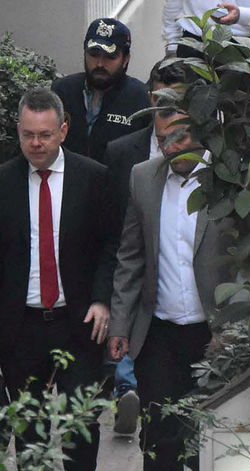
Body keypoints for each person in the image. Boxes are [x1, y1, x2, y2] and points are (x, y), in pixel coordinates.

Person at [0, 87, 119, 471]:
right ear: (17, 132)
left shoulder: (93, 177)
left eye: (44, 135)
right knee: (30, 425)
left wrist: (102, 299)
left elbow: (109, 247)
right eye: (26, 136)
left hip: (78, 323)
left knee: (82, 420)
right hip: (22, 327)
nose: (36, 145)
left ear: (63, 130)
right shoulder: (0, 181)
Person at [107, 109, 233, 471]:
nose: (171, 148)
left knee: (212, 436)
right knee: (159, 437)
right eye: (163, 139)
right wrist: (120, 323)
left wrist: (232, 331)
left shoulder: (232, 179)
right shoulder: (143, 177)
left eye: (179, 138)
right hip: (158, 332)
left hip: (214, 336)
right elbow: (130, 256)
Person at [102, 61, 189, 435]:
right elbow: (109, 220)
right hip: (134, 263)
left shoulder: (215, 160)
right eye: (160, 98)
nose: (167, 107)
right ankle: (127, 390)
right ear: (149, 97)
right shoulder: (124, 153)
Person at [52, 17, 151, 164]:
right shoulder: (62, 90)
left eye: (110, 57)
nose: (99, 63)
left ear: (125, 60)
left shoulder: (141, 99)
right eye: (94, 55)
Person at [163, 0, 250, 58]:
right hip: (195, 46)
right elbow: (173, 6)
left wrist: (241, 15)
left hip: (244, 48)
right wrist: (172, 48)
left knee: (244, 106)